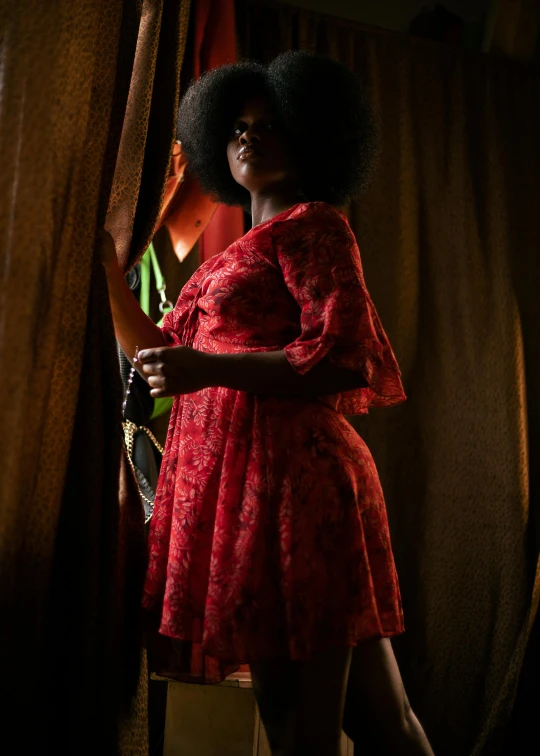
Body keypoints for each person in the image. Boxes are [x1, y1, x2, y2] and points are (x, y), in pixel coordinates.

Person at [99, 51, 434, 756]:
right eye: (239, 126)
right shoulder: (229, 257)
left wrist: (205, 367)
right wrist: (106, 281)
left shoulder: (315, 227)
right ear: (219, 143)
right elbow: (165, 356)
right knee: (379, 719)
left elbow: (341, 356)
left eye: (272, 124)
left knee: (300, 726)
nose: (251, 136)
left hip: (297, 483)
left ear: (311, 136)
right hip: (251, 486)